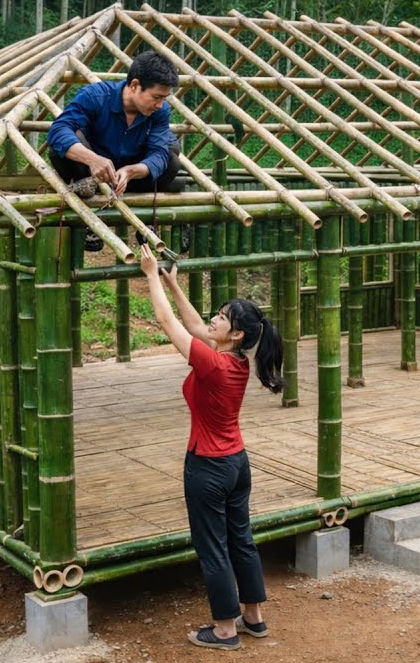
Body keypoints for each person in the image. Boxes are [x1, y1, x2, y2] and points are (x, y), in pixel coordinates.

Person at [138, 244, 285, 651]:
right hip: (237, 464)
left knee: (213, 547)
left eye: (222, 317)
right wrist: (173, 283)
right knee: (241, 538)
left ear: (236, 334)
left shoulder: (213, 364)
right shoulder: (235, 361)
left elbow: (170, 325)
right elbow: (194, 326)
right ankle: (252, 617)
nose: (214, 319)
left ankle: (224, 629)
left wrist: (151, 276)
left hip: (208, 468)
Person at [47, 51, 185, 250]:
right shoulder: (95, 96)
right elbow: (58, 130)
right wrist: (93, 160)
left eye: (164, 98)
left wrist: (133, 170)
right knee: (64, 148)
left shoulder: (160, 111)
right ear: (135, 85)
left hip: (129, 179)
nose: (160, 104)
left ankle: (145, 218)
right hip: (90, 174)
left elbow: (159, 153)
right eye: (156, 97)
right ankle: (92, 204)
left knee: (171, 160)